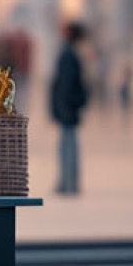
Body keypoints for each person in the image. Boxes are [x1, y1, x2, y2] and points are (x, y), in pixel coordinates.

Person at [50, 21, 89, 195]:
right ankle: (69, 181)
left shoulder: (67, 55)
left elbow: (64, 85)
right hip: (70, 108)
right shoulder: (71, 54)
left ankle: (68, 183)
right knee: (69, 145)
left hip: (67, 109)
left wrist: (61, 107)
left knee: (67, 146)